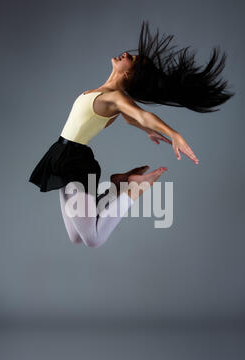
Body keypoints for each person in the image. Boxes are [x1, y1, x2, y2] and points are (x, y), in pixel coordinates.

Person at [29, 20, 234, 248]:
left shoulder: (116, 98)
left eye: (132, 60)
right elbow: (130, 118)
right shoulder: (104, 94)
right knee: (76, 237)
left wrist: (173, 133)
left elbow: (141, 115)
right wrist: (147, 132)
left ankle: (132, 188)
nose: (126, 54)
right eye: (132, 55)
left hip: (74, 161)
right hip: (62, 154)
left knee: (93, 239)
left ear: (129, 75)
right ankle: (119, 184)